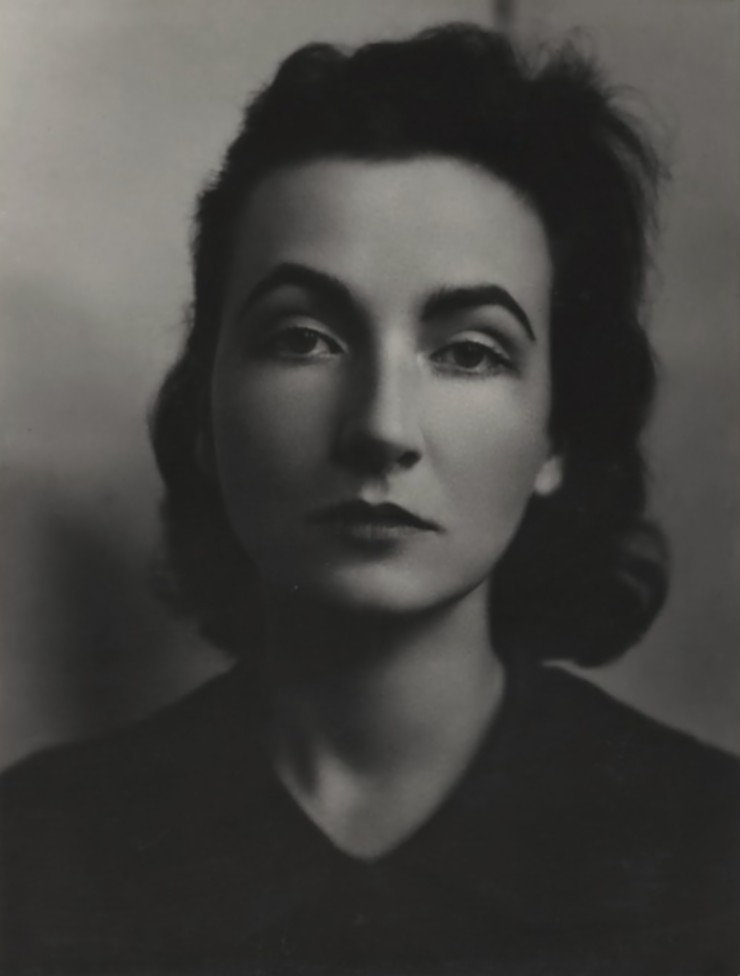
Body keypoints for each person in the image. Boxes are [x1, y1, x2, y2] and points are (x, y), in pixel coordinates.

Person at [2, 23, 739, 976]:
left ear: (557, 436)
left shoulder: (713, 856)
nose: (381, 427)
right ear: (205, 412)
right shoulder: (34, 854)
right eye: (303, 339)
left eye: (468, 352)